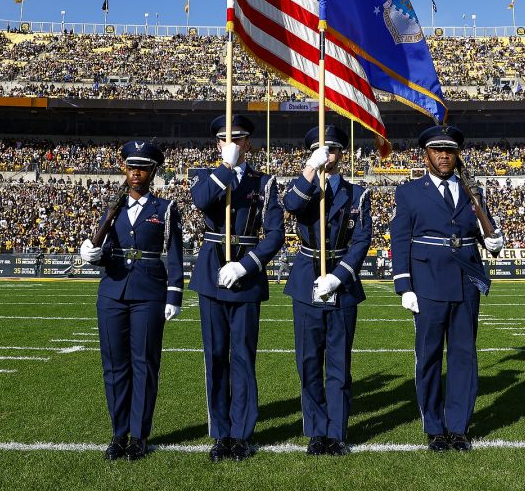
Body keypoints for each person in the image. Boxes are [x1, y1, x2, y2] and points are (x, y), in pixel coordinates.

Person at [391, 125, 505, 452]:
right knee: (428, 357)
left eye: (450, 150)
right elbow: (400, 240)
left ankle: (458, 427)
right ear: (425, 154)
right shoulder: (409, 192)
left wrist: (495, 241)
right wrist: (404, 285)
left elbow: (487, 233)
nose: (444, 156)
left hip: (466, 281)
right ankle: (434, 427)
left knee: (463, 357)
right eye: (437, 150)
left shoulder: (473, 191)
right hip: (426, 283)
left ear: (457, 154)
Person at [79, 141, 183, 462]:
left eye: (142, 168)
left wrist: (174, 293)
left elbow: (176, 255)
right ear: (124, 169)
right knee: (114, 367)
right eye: (130, 167)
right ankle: (118, 434)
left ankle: (139, 436)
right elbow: (100, 248)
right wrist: (91, 253)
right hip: (112, 290)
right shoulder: (113, 205)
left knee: (145, 365)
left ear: (153, 171)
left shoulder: (165, 208)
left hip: (149, 291)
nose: (135, 173)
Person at [189, 115, 284, 462]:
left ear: (248, 143)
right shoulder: (206, 176)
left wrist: (246, 265)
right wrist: (225, 167)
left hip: (246, 276)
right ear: (217, 144)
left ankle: (242, 433)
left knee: (243, 357)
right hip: (212, 274)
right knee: (215, 356)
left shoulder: (265, 182)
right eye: (224, 139)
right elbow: (202, 201)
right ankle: (220, 432)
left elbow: (274, 235)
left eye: (238, 138)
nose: (231, 143)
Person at [282, 125, 373, 456]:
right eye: (322, 149)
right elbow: (291, 205)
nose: (329, 155)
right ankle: (316, 430)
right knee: (308, 362)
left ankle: (337, 432)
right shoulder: (304, 187)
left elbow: (362, 239)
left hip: (342, 283)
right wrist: (309, 169)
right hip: (307, 279)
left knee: (338, 363)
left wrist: (339, 276)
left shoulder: (357, 194)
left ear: (341, 154)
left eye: (333, 149)